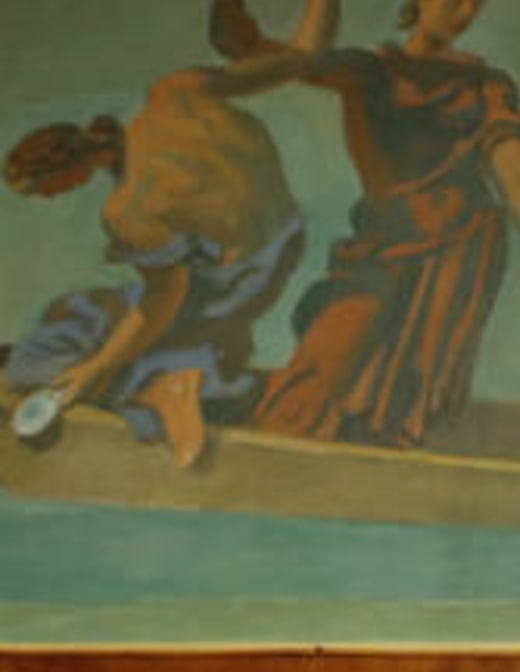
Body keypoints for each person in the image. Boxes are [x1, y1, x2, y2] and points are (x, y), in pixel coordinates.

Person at [1, 0, 334, 469]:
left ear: (61, 175)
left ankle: (164, 387)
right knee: (107, 314)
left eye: (44, 192)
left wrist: (99, 368)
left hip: (229, 282)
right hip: (282, 247)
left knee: (36, 362)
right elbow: (303, 54)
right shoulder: (176, 90)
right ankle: (190, 366)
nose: (51, 199)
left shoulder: (128, 208)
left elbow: (165, 297)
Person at [241, 0, 520, 448]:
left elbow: (519, 184)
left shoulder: (486, 87)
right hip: (384, 239)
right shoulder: (369, 70)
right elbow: (284, 58)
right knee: (328, 355)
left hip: (458, 247)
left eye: (477, 1)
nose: (466, 11)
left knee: (408, 393)